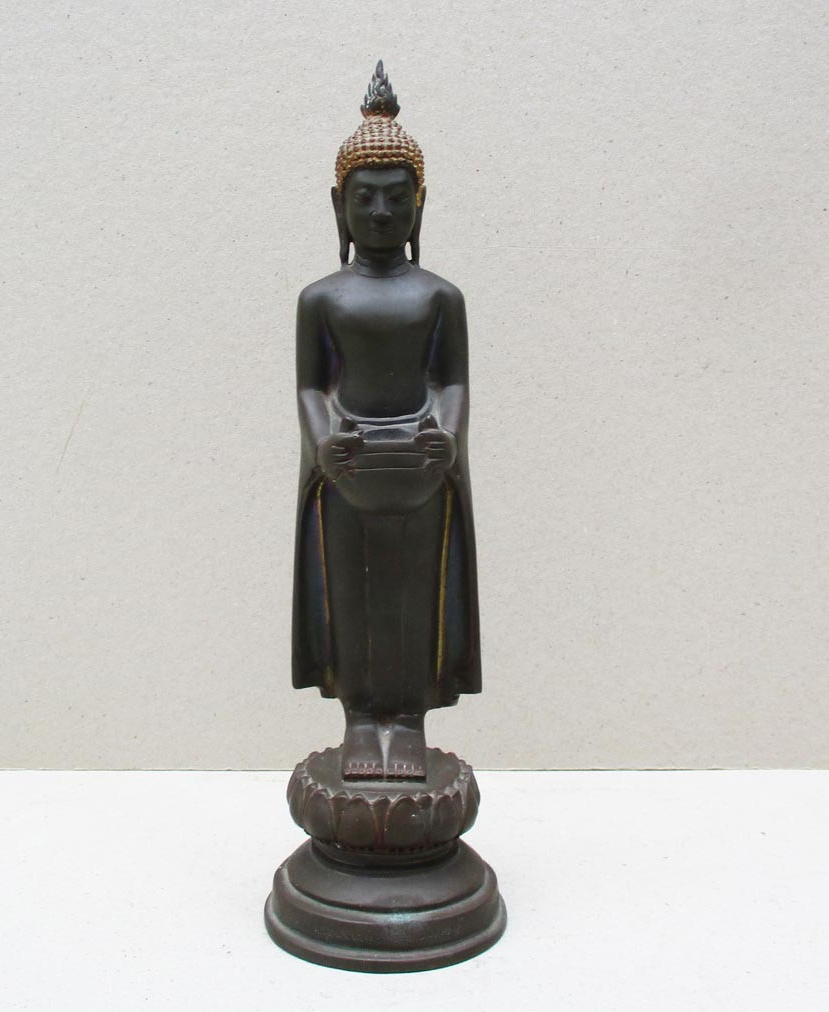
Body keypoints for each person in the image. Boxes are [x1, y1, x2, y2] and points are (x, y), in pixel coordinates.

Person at [291, 62, 481, 780]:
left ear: (420, 206)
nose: (379, 213)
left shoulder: (440, 297)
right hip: (349, 467)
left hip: (419, 466)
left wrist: (445, 436)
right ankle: (359, 720)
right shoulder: (320, 299)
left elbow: (453, 381)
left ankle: (406, 721)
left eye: (396, 199)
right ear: (336, 205)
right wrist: (325, 442)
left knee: (414, 596)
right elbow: (311, 387)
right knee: (350, 598)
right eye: (363, 198)